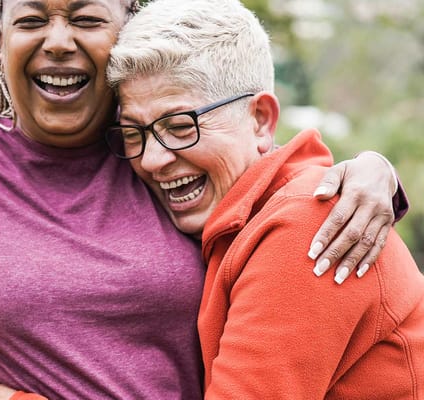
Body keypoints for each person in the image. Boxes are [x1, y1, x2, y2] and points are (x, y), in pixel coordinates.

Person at [0, 1, 406, 399]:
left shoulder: (307, 221)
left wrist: (371, 173)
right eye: (31, 18)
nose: (154, 158)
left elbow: (264, 163)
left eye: (85, 18)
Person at [102, 0, 423, 397]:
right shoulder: (240, 212)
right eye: (134, 135)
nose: (152, 160)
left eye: (181, 126)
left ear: (261, 120)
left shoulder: (310, 225)